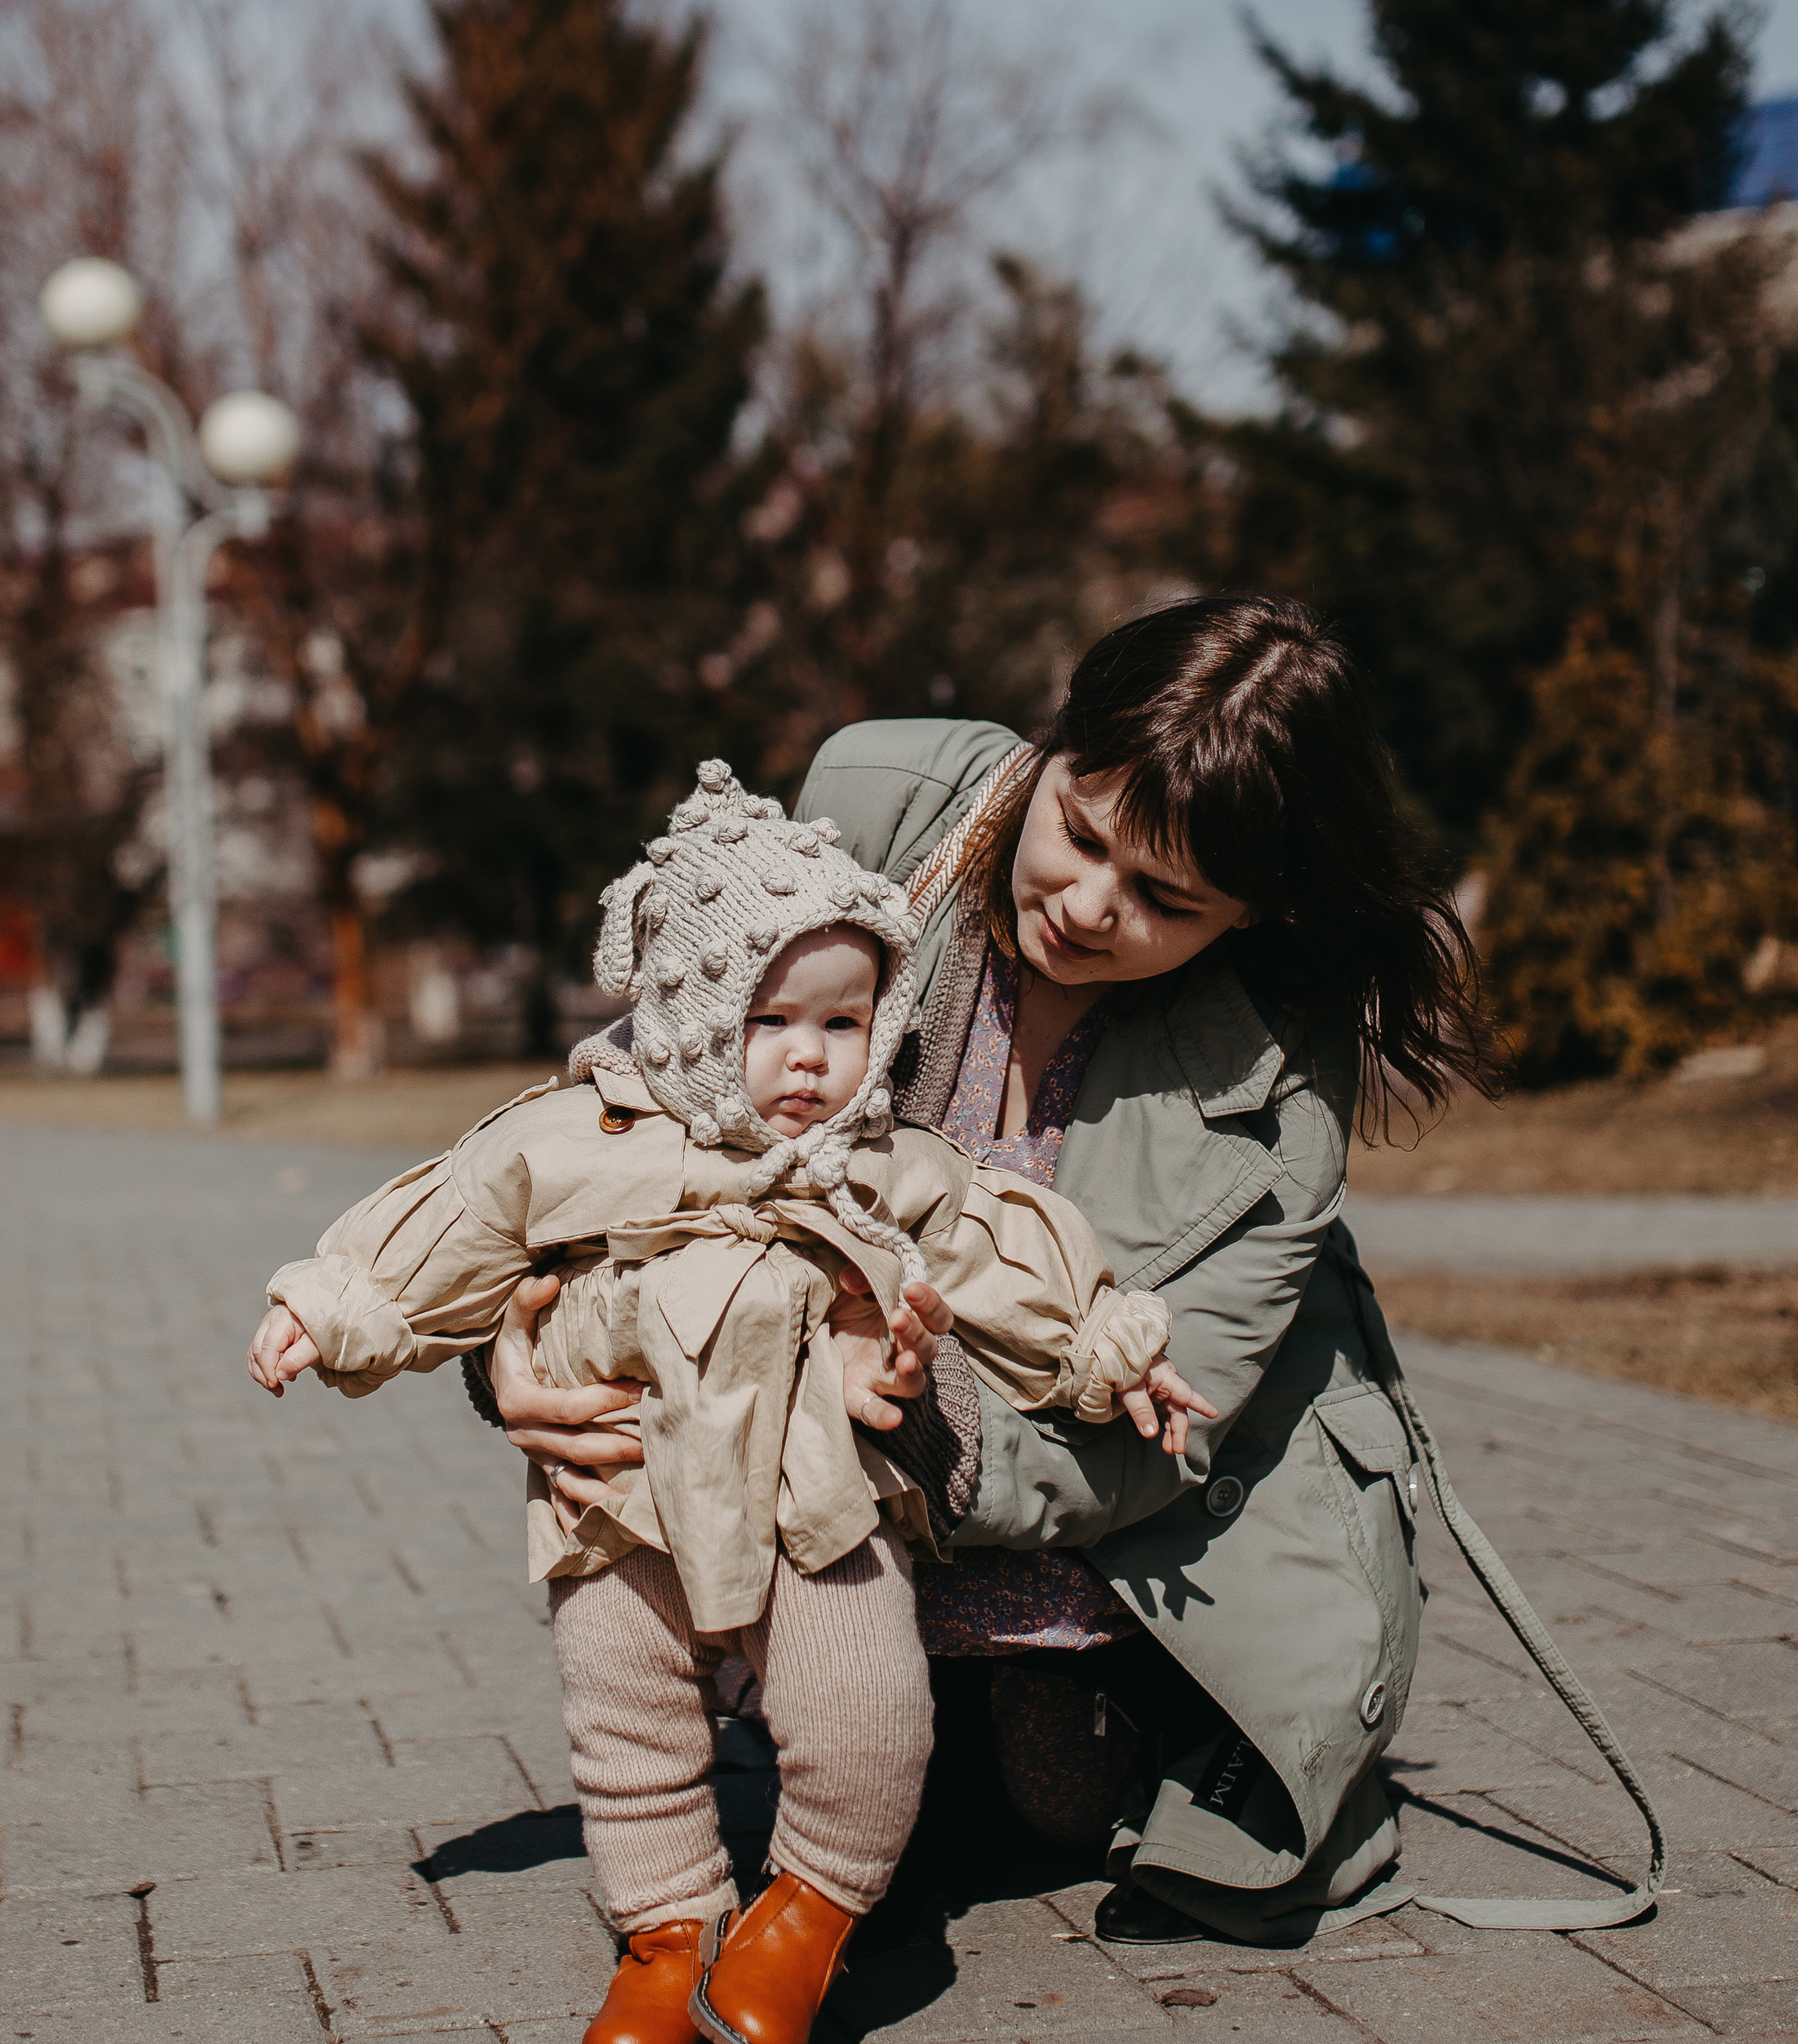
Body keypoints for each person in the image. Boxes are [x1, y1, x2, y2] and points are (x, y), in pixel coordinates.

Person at [485, 598, 1516, 1949]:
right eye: (1082, 832)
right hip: (829, 1463)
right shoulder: (871, 805)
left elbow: (1153, 1444)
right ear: (1053, 741)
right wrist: (524, 1343)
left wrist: (909, 1422)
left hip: (1118, 1521)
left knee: (999, 1814)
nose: (1091, 908)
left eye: (1166, 899)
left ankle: (1128, 1722)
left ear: (1254, 913)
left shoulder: (1279, 1061)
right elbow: (645, 1109)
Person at [247, 760, 1201, 2044]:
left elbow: (1005, 1248)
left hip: (821, 1487)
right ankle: (663, 1929)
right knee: (627, 1718)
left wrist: (1110, 1348)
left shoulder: (882, 1163)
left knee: (868, 1708)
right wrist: (339, 1303)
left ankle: (808, 1907)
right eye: (770, 1023)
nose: (811, 1061)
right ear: (693, 1016)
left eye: (845, 1022)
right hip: (622, 1488)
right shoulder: (582, 1138)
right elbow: (462, 1218)